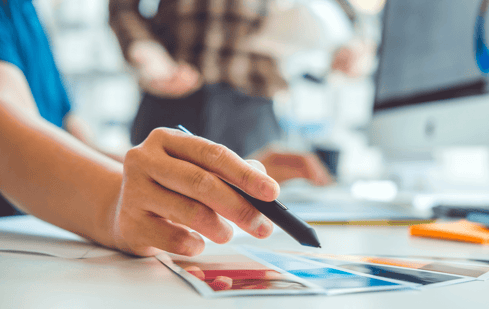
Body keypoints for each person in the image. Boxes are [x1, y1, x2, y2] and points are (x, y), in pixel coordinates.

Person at [0, 0, 279, 257]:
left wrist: (214, 179)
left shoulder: (26, 13)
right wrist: (116, 203)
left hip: (250, 99)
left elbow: (67, 137)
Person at [108, 0, 367, 186]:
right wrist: (144, 49)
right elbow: (122, 7)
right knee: (151, 209)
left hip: (253, 107)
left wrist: (352, 44)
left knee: (257, 219)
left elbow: (347, 18)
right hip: (171, 95)